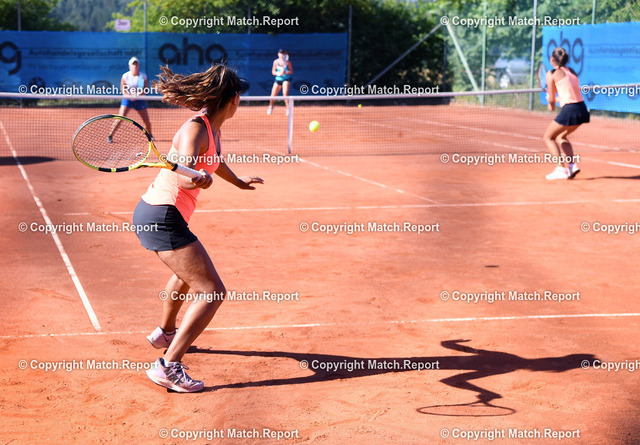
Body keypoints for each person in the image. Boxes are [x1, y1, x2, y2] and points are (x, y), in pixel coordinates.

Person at [132, 64, 263, 392]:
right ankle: (168, 365)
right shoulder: (196, 130)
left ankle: (165, 333)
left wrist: (238, 182)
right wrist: (197, 181)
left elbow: (213, 162)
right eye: (239, 96)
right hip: (162, 215)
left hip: (165, 215)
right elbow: (185, 174)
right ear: (232, 100)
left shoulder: (212, 128)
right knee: (213, 291)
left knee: (186, 275)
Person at [543, 47, 590, 180]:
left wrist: (550, 103)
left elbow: (552, 102)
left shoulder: (551, 74)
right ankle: (572, 166)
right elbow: (568, 95)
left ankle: (560, 168)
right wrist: (554, 100)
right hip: (582, 109)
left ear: (552, 59)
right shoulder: (572, 71)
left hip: (570, 110)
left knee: (548, 137)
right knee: (561, 136)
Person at [108, 57, 152, 141]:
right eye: (133, 64)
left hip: (139, 100)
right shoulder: (125, 76)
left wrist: (138, 95)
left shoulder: (143, 76)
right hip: (127, 100)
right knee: (120, 117)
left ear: (138, 66)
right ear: (130, 66)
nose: (135, 66)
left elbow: (145, 89)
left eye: (136, 64)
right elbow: (123, 89)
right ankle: (110, 135)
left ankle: (150, 135)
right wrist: (130, 96)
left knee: (146, 120)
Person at [267, 49, 293, 116]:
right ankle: (271, 107)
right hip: (278, 80)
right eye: (280, 53)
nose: (282, 54)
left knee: (285, 94)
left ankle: (288, 109)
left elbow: (291, 71)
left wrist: (286, 72)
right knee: (273, 95)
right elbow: (273, 72)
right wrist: (279, 73)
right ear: (278, 54)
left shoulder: (288, 62)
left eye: (283, 53)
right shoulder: (276, 62)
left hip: (286, 80)